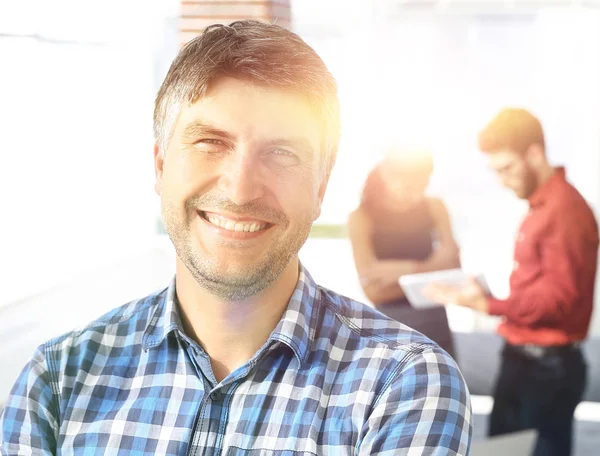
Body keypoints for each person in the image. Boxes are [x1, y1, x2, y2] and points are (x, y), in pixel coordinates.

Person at [0, 21, 472, 455]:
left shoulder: (403, 383)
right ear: (161, 165)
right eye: (211, 142)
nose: (241, 188)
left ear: (320, 188)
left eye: (282, 153)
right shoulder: (59, 380)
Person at [426, 108, 599, 456]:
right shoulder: (542, 206)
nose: (503, 181)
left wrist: (485, 305)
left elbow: (558, 302)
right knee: (504, 451)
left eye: (507, 168)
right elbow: (542, 287)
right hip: (526, 362)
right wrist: (485, 295)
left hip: (545, 370)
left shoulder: (564, 209)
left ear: (534, 153)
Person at [348, 151, 460, 358]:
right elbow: (374, 292)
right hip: (390, 332)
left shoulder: (435, 207)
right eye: (408, 186)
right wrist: (428, 271)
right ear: (386, 175)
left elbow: (454, 269)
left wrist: (401, 272)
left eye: (422, 185)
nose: (416, 195)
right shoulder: (361, 218)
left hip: (436, 328)